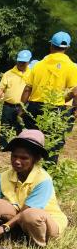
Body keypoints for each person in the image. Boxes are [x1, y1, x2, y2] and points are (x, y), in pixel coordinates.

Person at [0, 130, 67, 248]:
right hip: (22, 221)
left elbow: (25, 213)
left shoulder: (43, 180)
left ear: (35, 159)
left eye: (24, 158)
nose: (17, 161)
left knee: (30, 215)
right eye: (14, 156)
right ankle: (15, 238)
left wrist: (1, 229)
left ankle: (37, 246)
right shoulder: (3, 177)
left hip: (46, 225)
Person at [20, 32, 77, 165]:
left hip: (34, 107)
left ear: (51, 45)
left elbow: (27, 88)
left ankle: (28, 169)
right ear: (67, 48)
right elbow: (75, 91)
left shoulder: (38, 65)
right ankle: (46, 173)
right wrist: (66, 101)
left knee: (30, 141)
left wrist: (21, 108)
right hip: (56, 109)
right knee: (52, 144)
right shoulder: (71, 67)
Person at [0, 50, 33, 150]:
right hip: (8, 106)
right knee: (5, 127)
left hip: (24, 107)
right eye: (20, 61)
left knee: (21, 128)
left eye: (24, 62)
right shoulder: (8, 74)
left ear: (28, 62)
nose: (21, 64)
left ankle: (21, 148)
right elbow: (1, 89)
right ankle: (3, 147)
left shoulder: (32, 74)